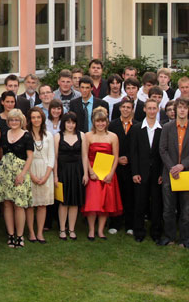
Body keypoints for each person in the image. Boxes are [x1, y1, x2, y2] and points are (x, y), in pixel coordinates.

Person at [159, 98, 189, 249]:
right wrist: (172, 167)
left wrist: (182, 165)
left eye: (185, 108)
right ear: (175, 109)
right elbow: (162, 149)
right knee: (168, 209)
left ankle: (185, 239)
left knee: (185, 209)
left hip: (187, 173)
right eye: (180, 107)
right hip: (169, 173)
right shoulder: (167, 127)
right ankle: (169, 237)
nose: (182, 110)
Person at [0, 109, 34, 248]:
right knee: (7, 203)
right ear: (8, 121)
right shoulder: (5, 134)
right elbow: (0, 150)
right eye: (11, 120)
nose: (14, 122)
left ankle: (20, 235)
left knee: (19, 204)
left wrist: (22, 174)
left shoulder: (27, 136)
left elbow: (30, 157)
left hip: (20, 173)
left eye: (17, 120)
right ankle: (10, 234)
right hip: (5, 172)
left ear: (21, 121)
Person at [82, 107, 122, 240]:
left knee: (105, 203)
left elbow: (116, 157)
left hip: (107, 173)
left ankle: (100, 230)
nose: (100, 124)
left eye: (103, 121)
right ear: (94, 122)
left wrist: (111, 174)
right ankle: (91, 230)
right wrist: (90, 172)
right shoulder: (88, 136)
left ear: (107, 122)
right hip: (93, 172)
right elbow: (85, 155)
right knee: (93, 203)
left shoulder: (113, 137)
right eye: (98, 121)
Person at [132, 99, 163, 243]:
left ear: (158, 110)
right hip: (141, 172)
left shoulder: (162, 129)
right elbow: (134, 152)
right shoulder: (137, 128)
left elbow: (164, 153)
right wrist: (135, 172)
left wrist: (162, 173)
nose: (151, 111)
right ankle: (139, 231)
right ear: (144, 109)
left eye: (154, 108)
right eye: (149, 108)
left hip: (157, 173)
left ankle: (156, 232)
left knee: (156, 203)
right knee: (140, 202)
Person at [107, 97, 138, 236]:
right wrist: (117, 159)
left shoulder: (137, 125)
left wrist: (129, 159)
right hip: (116, 166)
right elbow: (107, 145)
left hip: (131, 166)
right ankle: (115, 223)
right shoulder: (112, 125)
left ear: (132, 109)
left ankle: (130, 225)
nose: (126, 110)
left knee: (130, 196)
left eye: (128, 107)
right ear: (119, 108)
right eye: (123, 107)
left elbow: (138, 147)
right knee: (116, 195)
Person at [25, 106, 54, 243]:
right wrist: (31, 175)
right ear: (30, 119)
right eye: (33, 117)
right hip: (30, 169)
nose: (36, 120)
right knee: (31, 204)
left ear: (42, 119)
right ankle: (31, 232)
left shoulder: (48, 135)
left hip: (45, 170)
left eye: (38, 117)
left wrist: (46, 176)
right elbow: (24, 157)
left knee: (42, 204)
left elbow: (51, 156)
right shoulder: (26, 135)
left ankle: (40, 232)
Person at [55, 112, 84, 240]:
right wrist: (55, 176)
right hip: (63, 172)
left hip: (77, 171)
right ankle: (62, 229)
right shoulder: (58, 136)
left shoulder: (82, 135)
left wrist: (86, 174)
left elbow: (84, 156)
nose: (70, 125)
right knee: (63, 202)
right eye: (68, 122)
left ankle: (72, 229)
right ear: (64, 123)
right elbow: (55, 158)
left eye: (73, 122)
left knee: (74, 202)